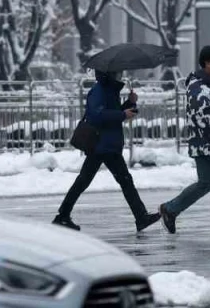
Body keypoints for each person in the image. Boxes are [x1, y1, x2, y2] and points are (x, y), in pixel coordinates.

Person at [53, 73, 159, 232]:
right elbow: (97, 115)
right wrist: (123, 114)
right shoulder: (99, 90)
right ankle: (141, 217)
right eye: (117, 73)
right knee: (120, 180)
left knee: (92, 180)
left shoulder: (109, 90)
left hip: (108, 144)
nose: (120, 75)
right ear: (108, 73)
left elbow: (111, 112)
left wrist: (129, 103)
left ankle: (63, 215)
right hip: (101, 144)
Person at [160, 45, 210, 236]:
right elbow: (200, 116)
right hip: (207, 145)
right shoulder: (198, 86)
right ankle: (170, 209)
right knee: (206, 182)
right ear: (208, 62)